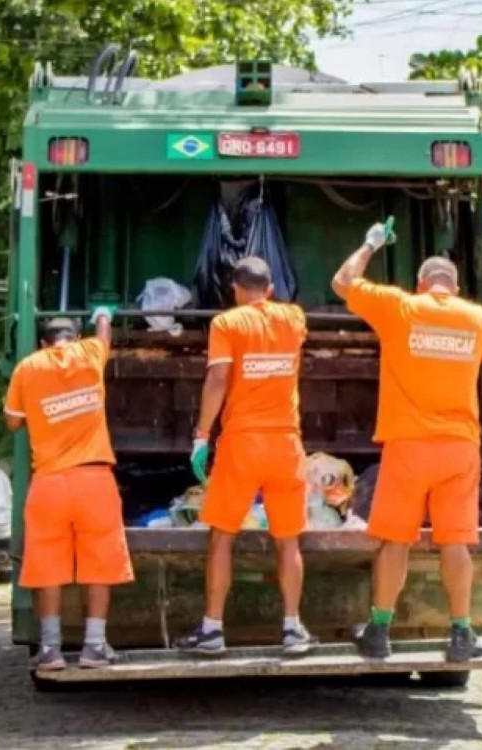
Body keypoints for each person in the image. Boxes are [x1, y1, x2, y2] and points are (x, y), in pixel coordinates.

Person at [331, 223, 482, 663]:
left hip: (409, 447)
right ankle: (460, 633)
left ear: (421, 284)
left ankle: (379, 631)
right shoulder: (478, 319)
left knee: (395, 541)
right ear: (454, 287)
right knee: (455, 543)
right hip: (458, 450)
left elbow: (343, 282)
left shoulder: (401, 307)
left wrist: (371, 242)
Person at [174, 256, 317, 657]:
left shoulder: (227, 323)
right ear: (270, 288)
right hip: (286, 444)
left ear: (234, 289)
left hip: (243, 444)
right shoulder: (294, 318)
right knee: (288, 541)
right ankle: (292, 628)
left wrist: (202, 435)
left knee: (222, 536)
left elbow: (218, 378)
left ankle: (213, 629)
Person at [3, 310, 133, 672]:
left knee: (47, 568)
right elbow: (104, 337)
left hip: (49, 483)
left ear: (44, 343)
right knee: (99, 565)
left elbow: (13, 421)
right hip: (94, 481)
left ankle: (50, 650)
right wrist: (104, 315)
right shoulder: (90, 353)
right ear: (75, 339)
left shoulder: (28, 367)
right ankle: (94, 647)